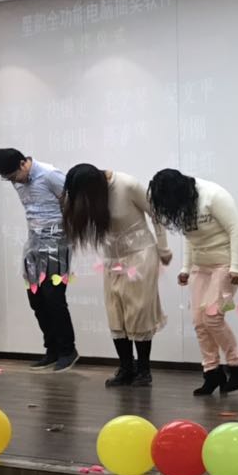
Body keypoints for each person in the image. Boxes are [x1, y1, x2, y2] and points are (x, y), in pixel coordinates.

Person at [61, 163, 171, 386]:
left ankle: (144, 371)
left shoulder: (127, 185)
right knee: (115, 311)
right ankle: (125, 368)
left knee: (138, 310)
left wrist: (163, 249)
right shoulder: (90, 194)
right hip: (112, 257)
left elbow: (156, 214)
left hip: (140, 254)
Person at [148, 168, 238, 396]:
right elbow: (190, 239)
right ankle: (212, 373)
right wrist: (185, 269)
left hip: (225, 263)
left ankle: (237, 367)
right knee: (199, 321)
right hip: (201, 266)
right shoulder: (182, 203)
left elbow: (236, 230)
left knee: (212, 317)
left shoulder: (213, 195)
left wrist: (236, 267)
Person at [0, 148, 79, 372]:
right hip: (33, 242)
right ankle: (52, 350)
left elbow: (72, 204)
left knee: (53, 296)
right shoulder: (17, 180)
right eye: (8, 179)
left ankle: (68, 351)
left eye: (13, 176)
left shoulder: (50, 175)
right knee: (36, 298)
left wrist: (66, 235)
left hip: (57, 241)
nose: (13, 182)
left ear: (23, 163)